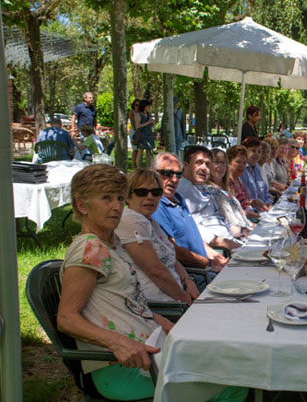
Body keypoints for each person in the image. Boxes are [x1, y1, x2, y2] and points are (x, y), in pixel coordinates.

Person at [57, 164, 172, 400]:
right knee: (229, 385)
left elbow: (129, 304)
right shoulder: (90, 248)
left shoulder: (112, 244)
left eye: (120, 197)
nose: (117, 206)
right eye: (106, 198)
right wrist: (118, 343)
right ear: (82, 205)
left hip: (149, 356)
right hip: (122, 369)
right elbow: (67, 318)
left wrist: (167, 325)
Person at [117, 169, 199, 303]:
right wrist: (185, 301)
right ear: (128, 196)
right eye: (142, 192)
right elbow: (155, 271)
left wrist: (188, 281)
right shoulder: (130, 220)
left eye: (156, 192)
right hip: (156, 305)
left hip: (175, 295)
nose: (150, 197)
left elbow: (170, 257)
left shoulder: (151, 221)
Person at [151, 153, 229, 274]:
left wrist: (213, 255)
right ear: (153, 174)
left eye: (178, 175)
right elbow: (173, 251)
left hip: (207, 267)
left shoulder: (179, 198)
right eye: (167, 173)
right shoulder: (156, 206)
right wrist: (208, 263)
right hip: (195, 274)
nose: (174, 179)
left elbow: (194, 236)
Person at [177, 145, 242, 253]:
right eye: (199, 163)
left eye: (207, 164)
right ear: (186, 165)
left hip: (229, 238)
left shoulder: (201, 187)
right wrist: (222, 242)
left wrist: (242, 231)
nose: (204, 168)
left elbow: (217, 220)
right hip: (218, 249)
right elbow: (192, 227)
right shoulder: (184, 191)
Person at [207, 148, 255, 238]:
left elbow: (239, 216)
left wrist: (254, 226)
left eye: (223, 163)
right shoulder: (209, 191)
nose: (221, 166)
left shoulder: (226, 189)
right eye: (217, 162)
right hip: (234, 236)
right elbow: (222, 223)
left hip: (246, 230)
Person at [227, 145, 260, 219]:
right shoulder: (227, 183)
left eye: (244, 163)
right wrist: (254, 216)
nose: (242, 165)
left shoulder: (238, 180)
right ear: (229, 162)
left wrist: (254, 202)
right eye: (238, 162)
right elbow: (232, 210)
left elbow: (245, 201)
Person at [240, 137, 273, 209]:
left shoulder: (256, 168)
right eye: (253, 151)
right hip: (253, 211)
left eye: (259, 151)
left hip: (264, 209)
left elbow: (265, 191)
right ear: (245, 152)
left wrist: (269, 203)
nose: (257, 154)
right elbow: (245, 198)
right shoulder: (242, 170)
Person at [134, 99, 156, 168]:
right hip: (142, 135)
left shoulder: (148, 114)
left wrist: (152, 123)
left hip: (149, 134)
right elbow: (138, 126)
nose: (149, 107)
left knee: (148, 152)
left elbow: (150, 124)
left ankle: (148, 168)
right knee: (140, 151)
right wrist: (148, 122)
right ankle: (139, 168)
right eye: (147, 106)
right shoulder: (138, 114)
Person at [129, 99, 141, 169]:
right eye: (136, 105)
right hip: (134, 131)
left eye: (139, 105)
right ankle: (133, 164)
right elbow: (132, 122)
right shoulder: (132, 112)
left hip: (140, 131)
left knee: (139, 149)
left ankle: (137, 163)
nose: (137, 106)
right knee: (135, 149)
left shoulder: (140, 112)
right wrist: (136, 131)